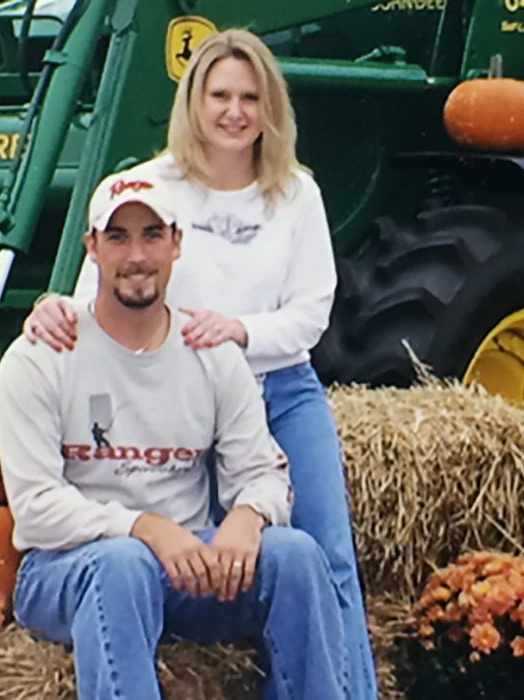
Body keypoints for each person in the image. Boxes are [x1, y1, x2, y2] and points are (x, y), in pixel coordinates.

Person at [22, 28, 377, 697]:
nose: (235, 111)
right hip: (185, 401)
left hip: (279, 388)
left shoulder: (295, 192)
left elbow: (312, 311)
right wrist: (50, 307)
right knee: (205, 555)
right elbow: (98, 287)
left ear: (271, 107)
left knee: (322, 552)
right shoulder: (153, 185)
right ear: (194, 101)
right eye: (220, 95)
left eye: (250, 96)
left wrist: (239, 331)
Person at [0, 177, 349, 699]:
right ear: (91, 248)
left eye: (152, 235)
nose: (136, 255)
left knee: (294, 556)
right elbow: (37, 510)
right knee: (123, 564)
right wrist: (145, 528)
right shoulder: (41, 357)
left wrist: (248, 519)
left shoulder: (211, 353)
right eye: (117, 237)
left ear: (177, 244)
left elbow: (263, 472)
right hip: (68, 570)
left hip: (190, 568)